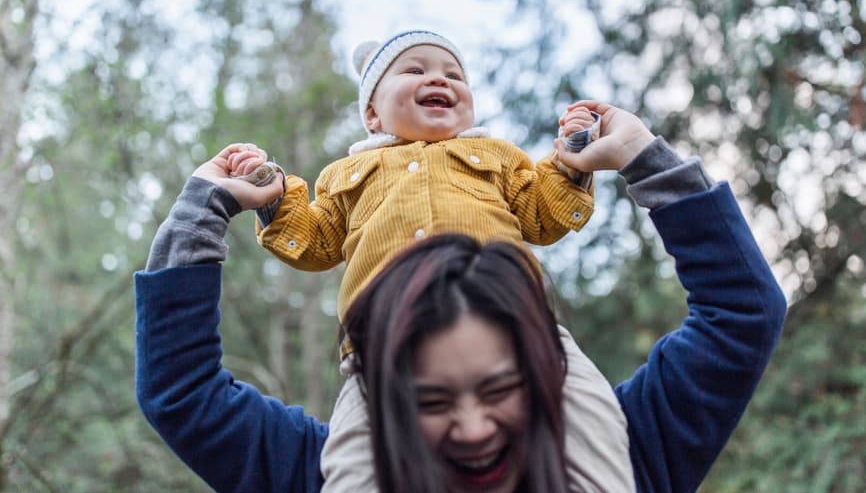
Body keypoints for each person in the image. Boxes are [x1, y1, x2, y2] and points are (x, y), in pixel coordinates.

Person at [135, 100, 787, 493]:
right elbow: (182, 392)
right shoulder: (334, 473)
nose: (474, 429)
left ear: (544, 365)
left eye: (503, 387)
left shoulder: (625, 450)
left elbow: (744, 314)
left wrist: (643, 156)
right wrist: (206, 207)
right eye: (430, 400)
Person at [227, 30, 624, 493]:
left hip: (515, 323)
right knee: (354, 455)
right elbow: (313, 243)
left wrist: (574, 155)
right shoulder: (346, 175)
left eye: (454, 74)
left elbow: (543, 214)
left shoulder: (496, 156)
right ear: (372, 113)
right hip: (381, 344)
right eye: (415, 70)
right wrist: (273, 200)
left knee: (591, 410)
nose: (440, 79)